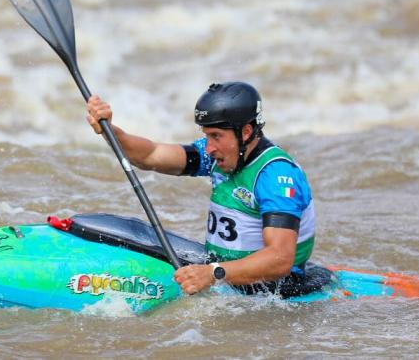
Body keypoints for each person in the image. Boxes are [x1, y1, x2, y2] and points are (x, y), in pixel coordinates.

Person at [85, 81, 315, 297]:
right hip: (223, 272)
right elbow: (150, 155)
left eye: (216, 136)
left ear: (245, 132)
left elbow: (280, 259)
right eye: (206, 136)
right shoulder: (220, 154)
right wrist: (110, 131)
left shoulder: (275, 177)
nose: (209, 147)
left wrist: (212, 273)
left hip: (272, 290)